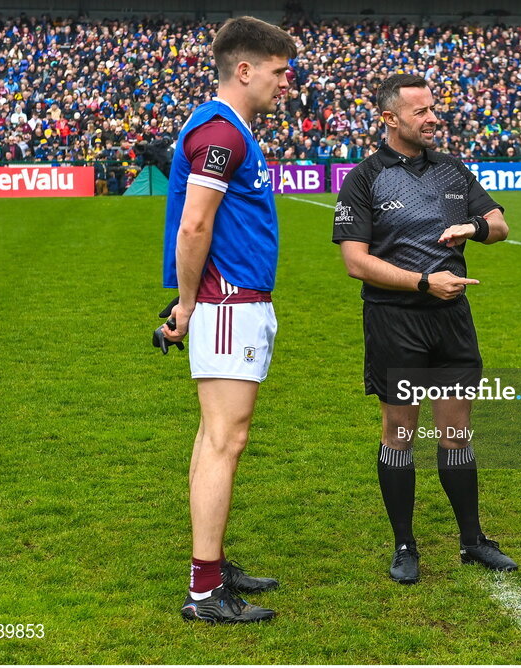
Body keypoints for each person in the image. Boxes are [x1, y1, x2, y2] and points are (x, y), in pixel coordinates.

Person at [332, 74, 517, 585]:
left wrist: (473, 228)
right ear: (389, 120)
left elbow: (499, 224)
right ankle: (405, 545)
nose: (433, 117)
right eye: (420, 111)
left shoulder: (452, 170)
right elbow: (355, 262)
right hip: (396, 321)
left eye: (433, 108)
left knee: (456, 429)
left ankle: (473, 540)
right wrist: (421, 282)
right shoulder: (365, 178)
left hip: (452, 318)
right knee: (400, 433)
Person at [159, 16, 298, 624]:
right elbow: (195, 226)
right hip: (225, 306)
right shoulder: (222, 133)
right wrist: (188, 307)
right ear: (245, 70)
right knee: (225, 439)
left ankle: (210, 563)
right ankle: (205, 591)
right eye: (279, 72)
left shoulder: (227, 129)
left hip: (230, 303)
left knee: (213, 436)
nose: (286, 84)